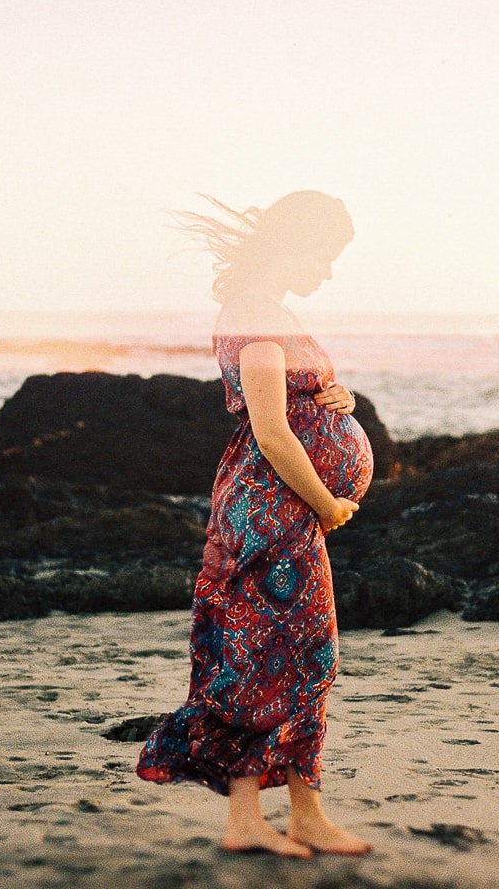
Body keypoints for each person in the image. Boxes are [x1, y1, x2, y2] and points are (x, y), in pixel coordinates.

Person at [136, 191, 374, 858]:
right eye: (323, 257)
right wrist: (328, 504)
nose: (326, 273)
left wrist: (336, 398)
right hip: (270, 517)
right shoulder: (253, 315)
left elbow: (292, 402)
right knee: (266, 659)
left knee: (302, 656)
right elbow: (270, 430)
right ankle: (249, 821)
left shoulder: (272, 315)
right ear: (292, 243)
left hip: (282, 513)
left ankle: (304, 813)